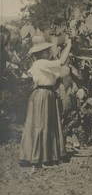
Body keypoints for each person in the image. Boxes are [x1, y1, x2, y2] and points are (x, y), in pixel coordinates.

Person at [19, 35, 71, 170]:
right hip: (43, 94)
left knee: (44, 124)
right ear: (40, 53)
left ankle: (43, 156)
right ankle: (40, 158)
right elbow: (61, 62)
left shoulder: (41, 64)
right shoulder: (41, 63)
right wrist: (69, 46)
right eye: (47, 50)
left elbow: (59, 73)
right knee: (42, 124)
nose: (49, 52)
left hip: (45, 94)